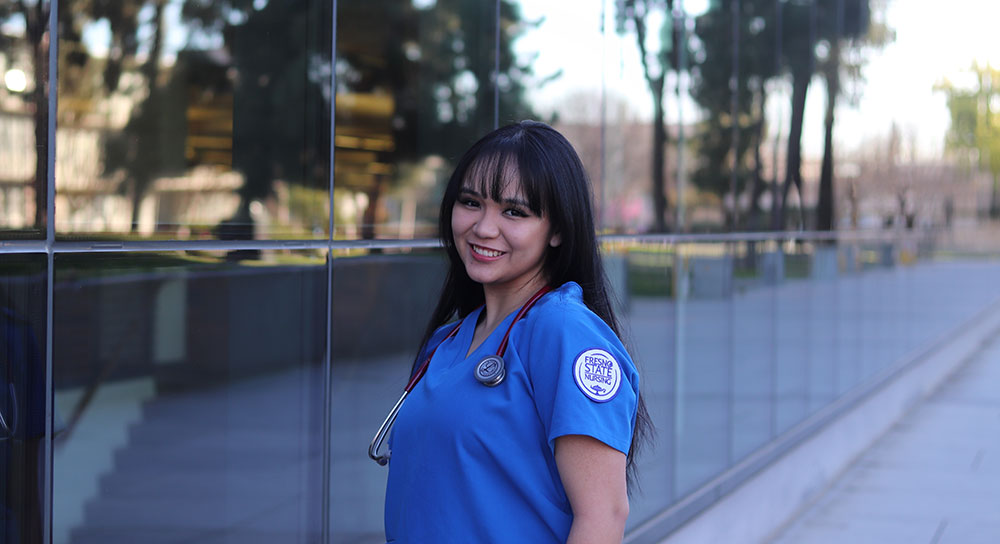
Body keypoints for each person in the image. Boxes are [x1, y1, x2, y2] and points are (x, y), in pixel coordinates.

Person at [382, 121, 651, 543]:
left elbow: (604, 517)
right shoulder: (446, 343)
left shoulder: (563, 333)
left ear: (558, 229)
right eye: (470, 202)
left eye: (514, 211)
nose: (484, 228)